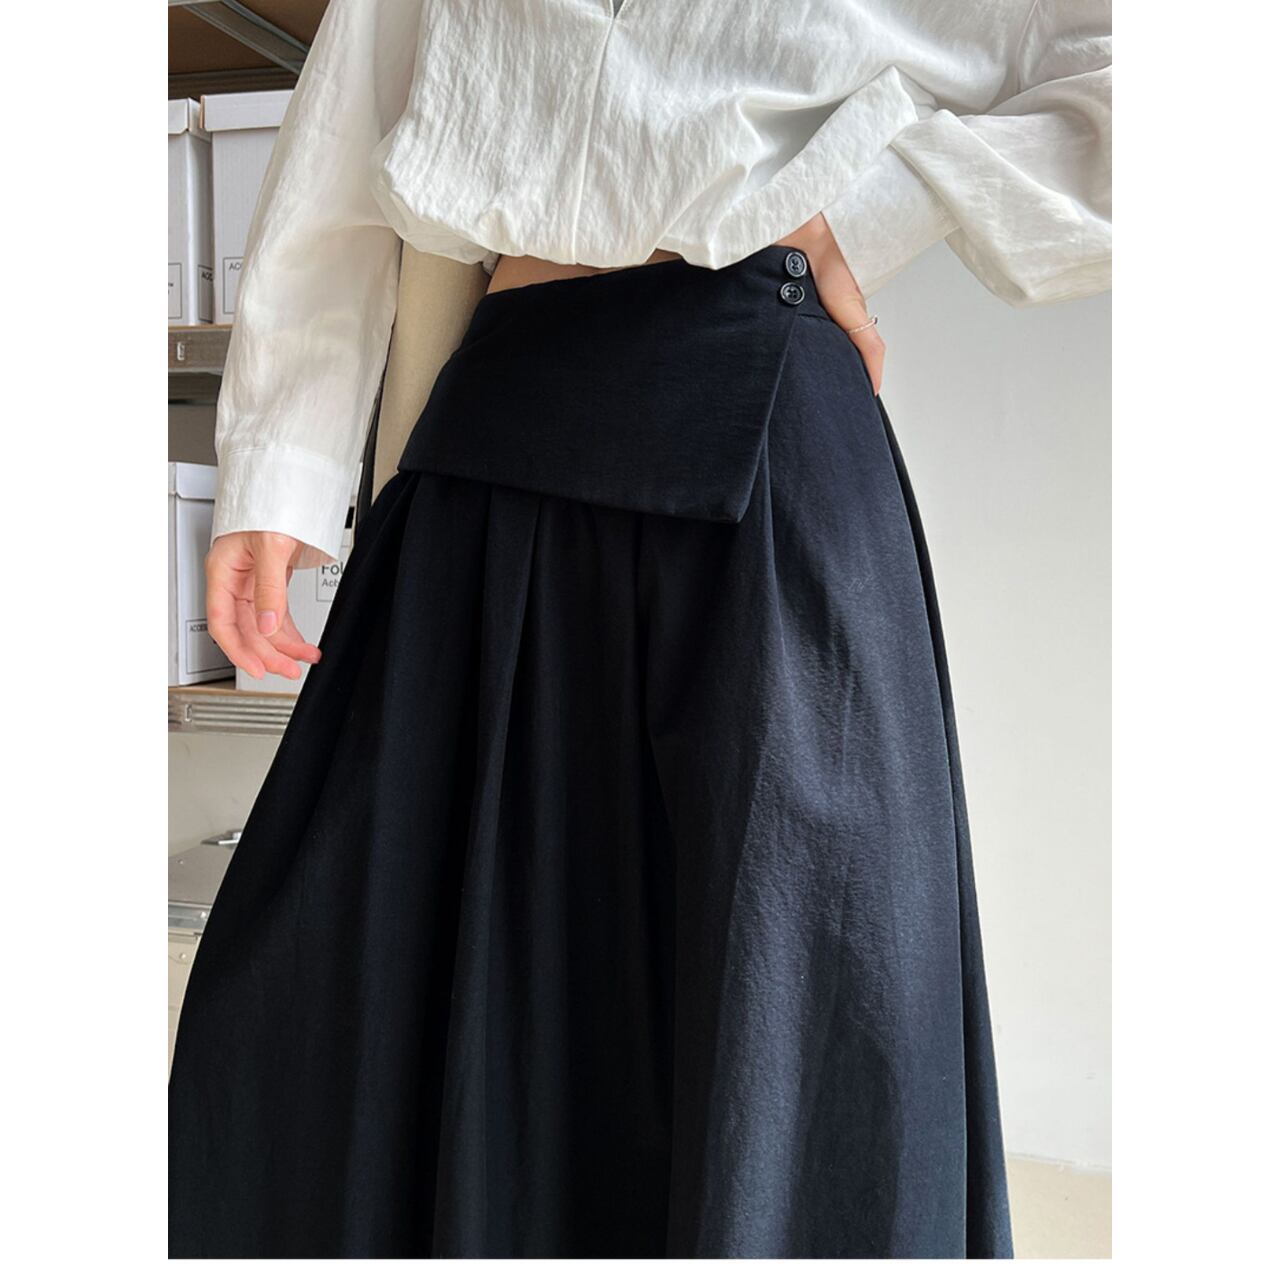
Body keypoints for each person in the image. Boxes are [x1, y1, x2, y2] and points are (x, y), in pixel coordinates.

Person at [168, 0, 1111, 1259]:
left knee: (791, 1005)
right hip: (492, 435)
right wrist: (281, 460)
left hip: (764, 441)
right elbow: (351, 121)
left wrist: (878, 207)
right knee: (334, 1005)